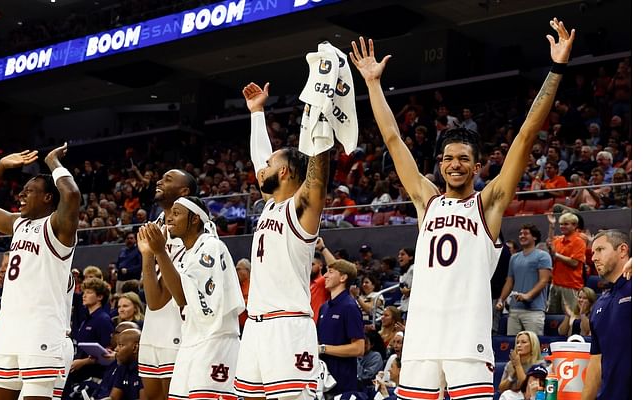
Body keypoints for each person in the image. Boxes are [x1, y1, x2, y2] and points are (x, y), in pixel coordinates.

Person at [349, 17, 574, 399]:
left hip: (466, 337)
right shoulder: (426, 199)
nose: (455, 164)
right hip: (421, 335)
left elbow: (525, 135)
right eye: (448, 158)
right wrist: (372, 83)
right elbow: (392, 137)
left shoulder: (487, 203)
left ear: (476, 164)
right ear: (440, 163)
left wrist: (556, 69)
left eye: (463, 158)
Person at [236, 81, 330, 399]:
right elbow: (260, 156)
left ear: (286, 173)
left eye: (269, 167)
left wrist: (319, 117)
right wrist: (257, 113)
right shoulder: (270, 205)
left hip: (287, 327)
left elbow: (317, 177)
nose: (261, 169)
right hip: (255, 325)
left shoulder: (301, 210)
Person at [0, 143, 80, 400]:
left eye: (29, 191)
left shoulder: (58, 228)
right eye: (22, 190)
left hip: (41, 330)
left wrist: (52, 161)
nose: (21, 194)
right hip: (8, 328)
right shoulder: (18, 224)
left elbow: (72, 195)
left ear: (48, 197)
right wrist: (1, 166)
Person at [139, 195, 245, 400]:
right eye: (170, 213)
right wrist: (149, 254)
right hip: (191, 341)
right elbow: (156, 302)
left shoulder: (211, 247)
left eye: (176, 213)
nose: (169, 218)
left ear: (195, 219)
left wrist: (160, 252)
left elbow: (181, 297)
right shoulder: (188, 256)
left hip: (215, 342)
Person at [136, 169, 197, 400]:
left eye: (168, 179)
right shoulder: (157, 225)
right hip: (153, 327)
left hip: (179, 329)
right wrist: (148, 255)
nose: (159, 180)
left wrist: (151, 254)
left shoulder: (194, 231)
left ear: (184, 191)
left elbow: (160, 299)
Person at [583, 230, 632, 400]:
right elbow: (595, 363)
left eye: (600, 250)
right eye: (593, 252)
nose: (594, 258)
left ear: (623, 250)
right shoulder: (599, 304)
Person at [317, 259, 366, 398]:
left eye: (330, 272)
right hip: (322, 378)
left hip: (342, 382)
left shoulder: (350, 307)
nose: (325, 276)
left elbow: (358, 348)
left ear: (343, 278)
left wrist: (322, 348)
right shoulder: (324, 307)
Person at [496, 224, 552, 336]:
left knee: (533, 345)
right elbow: (509, 281)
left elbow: (544, 280)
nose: (522, 236)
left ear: (535, 237)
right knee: (513, 344)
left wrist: (528, 295)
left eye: (526, 233)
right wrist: (501, 300)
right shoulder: (514, 257)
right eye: (520, 234)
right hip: (515, 309)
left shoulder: (543, 256)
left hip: (534, 310)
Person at [545, 212, 586, 314]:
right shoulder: (558, 240)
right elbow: (550, 243)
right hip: (555, 284)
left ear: (574, 225)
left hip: (571, 286)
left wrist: (556, 255)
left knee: (571, 317)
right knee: (552, 316)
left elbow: (574, 263)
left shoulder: (579, 241)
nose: (562, 227)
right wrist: (551, 226)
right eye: (561, 224)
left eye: (566, 224)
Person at [396, 248, 414, 314]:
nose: (399, 256)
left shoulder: (414, 268)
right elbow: (403, 289)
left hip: (413, 305)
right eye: (399, 254)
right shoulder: (402, 272)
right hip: (405, 305)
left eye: (402, 254)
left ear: (411, 257)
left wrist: (410, 291)